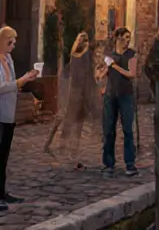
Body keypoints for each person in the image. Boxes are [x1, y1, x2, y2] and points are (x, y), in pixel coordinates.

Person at [0, 26, 40, 212]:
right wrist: (20, 81)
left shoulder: (8, 59)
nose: (14, 45)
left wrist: (24, 81)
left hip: (8, 113)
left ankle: (2, 193)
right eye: (11, 41)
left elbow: (12, 84)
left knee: (4, 157)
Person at [43, 31, 97, 170]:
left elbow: (72, 74)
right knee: (74, 126)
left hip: (72, 93)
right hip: (78, 94)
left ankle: (54, 147)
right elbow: (86, 77)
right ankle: (72, 158)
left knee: (67, 122)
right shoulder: (85, 57)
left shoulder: (74, 56)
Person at [98, 27, 139, 178]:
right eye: (126, 37)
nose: (128, 40)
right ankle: (108, 164)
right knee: (108, 130)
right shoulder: (109, 55)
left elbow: (132, 74)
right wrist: (101, 73)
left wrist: (115, 66)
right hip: (110, 95)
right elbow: (103, 72)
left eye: (129, 38)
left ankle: (130, 164)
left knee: (128, 130)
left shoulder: (132, 55)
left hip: (126, 96)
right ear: (118, 38)